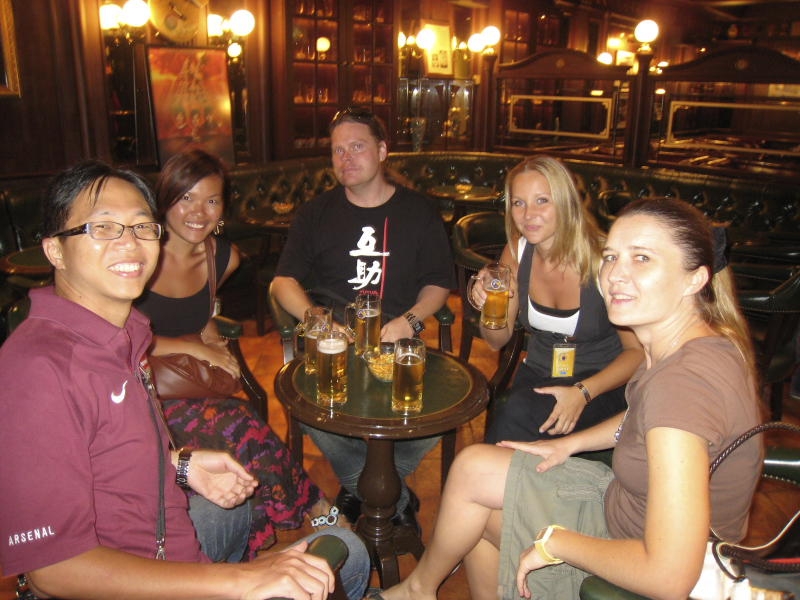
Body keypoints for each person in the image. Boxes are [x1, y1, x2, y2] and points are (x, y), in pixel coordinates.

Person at [0, 160, 369, 600]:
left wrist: (182, 465)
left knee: (238, 505)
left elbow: (104, 455)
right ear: (56, 251)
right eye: (104, 228)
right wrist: (243, 581)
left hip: (165, 541)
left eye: (141, 227)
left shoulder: (127, 333)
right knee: (346, 551)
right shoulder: (35, 370)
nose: (129, 243)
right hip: (120, 578)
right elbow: (53, 572)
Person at [376, 197, 762, 600]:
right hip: (625, 506)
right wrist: (570, 444)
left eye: (642, 258)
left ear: (694, 280)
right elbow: (642, 419)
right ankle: (418, 589)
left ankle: (416, 590)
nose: (615, 275)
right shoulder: (687, 344)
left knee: (474, 512)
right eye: (611, 257)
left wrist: (557, 543)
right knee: (473, 472)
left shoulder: (683, 383)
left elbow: (669, 577)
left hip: (642, 557)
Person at [136, 148, 347, 561]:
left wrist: (212, 340)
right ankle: (315, 510)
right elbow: (120, 334)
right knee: (239, 425)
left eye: (211, 201)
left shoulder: (222, 256)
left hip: (185, 384)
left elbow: (200, 313)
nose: (198, 212)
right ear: (165, 200)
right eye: (186, 198)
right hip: (138, 391)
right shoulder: (139, 253)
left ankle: (252, 540)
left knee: (240, 427)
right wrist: (193, 347)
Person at [271, 106, 455, 530]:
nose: (346, 158)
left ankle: (362, 488)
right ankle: (390, 496)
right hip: (334, 344)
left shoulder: (419, 212)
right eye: (338, 150)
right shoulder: (315, 213)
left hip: (398, 340)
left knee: (437, 415)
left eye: (357, 147)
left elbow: (438, 284)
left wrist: (409, 322)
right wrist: (318, 320)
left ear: (383, 151)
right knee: (310, 409)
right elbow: (283, 281)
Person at [474, 156, 643, 443]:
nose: (528, 214)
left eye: (542, 201)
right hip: (539, 375)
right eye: (518, 203)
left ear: (566, 202)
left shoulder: (604, 261)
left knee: (515, 416)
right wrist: (490, 306)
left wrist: (582, 392)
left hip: (600, 384)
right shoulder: (516, 252)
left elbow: (637, 354)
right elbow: (496, 341)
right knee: (514, 415)